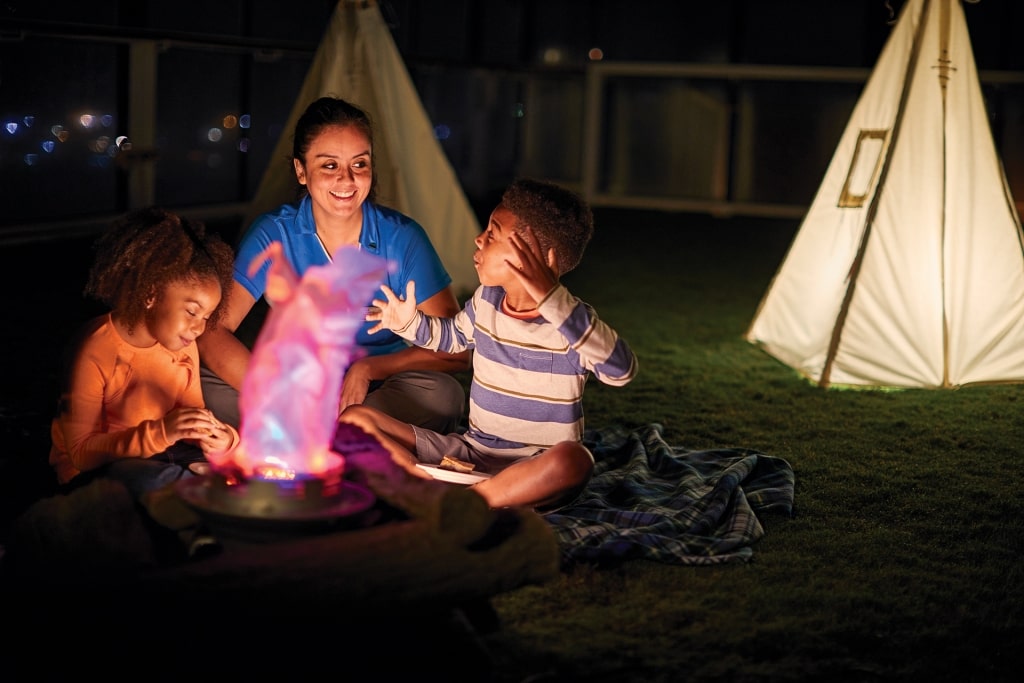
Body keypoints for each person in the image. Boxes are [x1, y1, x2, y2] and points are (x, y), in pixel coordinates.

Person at [339, 177, 638, 510]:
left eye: (493, 234)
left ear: (542, 258)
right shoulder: (487, 301)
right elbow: (452, 338)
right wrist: (409, 323)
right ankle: (422, 484)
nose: (479, 239)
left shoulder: (573, 324)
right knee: (355, 419)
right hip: (472, 454)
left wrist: (553, 301)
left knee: (575, 461)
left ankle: (464, 504)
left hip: (533, 467)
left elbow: (621, 371)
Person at [197, 96, 469, 433]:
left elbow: (457, 351)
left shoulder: (403, 237)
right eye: (329, 165)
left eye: (359, 164)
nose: (347, 180)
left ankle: (320, 435)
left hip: (380, 386)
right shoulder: (275, 233)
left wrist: (369, 368)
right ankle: (348, 437)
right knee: (202, 382)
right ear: (301, 170)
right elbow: (213, 332)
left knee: (442, 397)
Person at [49, 207, 240, 499]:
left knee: (236, 472)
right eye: (191, 311)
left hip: (167, 453)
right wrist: (162, 433)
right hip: (101, 468)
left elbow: (191, 419)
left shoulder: (185, 346)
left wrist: (221, 439)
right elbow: (80, 453)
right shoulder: (94, 348)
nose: (199, 328)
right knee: (146, 479)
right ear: (151, 294)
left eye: (207, 317)